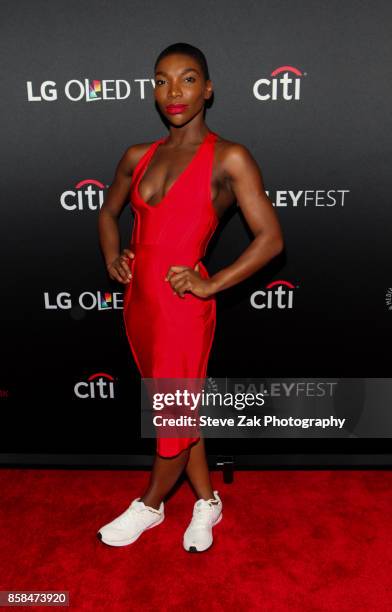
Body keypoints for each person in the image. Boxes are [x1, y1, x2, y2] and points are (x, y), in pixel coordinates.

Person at [97, 42, 284, 552]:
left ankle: (151, 505)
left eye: (187, 78)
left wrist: (211, 282)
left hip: (183, 307)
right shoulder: (138, 156)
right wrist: (115, 256)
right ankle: (207, 500)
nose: (173, 91)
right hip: (139, 306)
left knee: (173, 414)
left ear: (208, 88)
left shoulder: (230, 157)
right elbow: (107, 213)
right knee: (178, 410)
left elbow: (271, 238)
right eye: (162, 80)